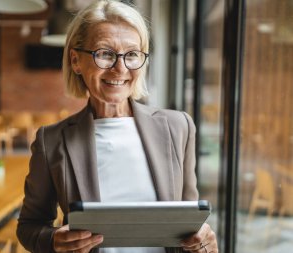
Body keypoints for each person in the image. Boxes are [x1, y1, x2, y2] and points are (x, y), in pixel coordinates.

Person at [17, 1, 218, 253]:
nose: (120, 68)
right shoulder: (52, 141)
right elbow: (29, 226)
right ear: (76, 60)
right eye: (105, 53)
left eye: (132, 54)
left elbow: (190, 221)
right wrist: (53, 240)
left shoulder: (178, 127)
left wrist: (203, 242)